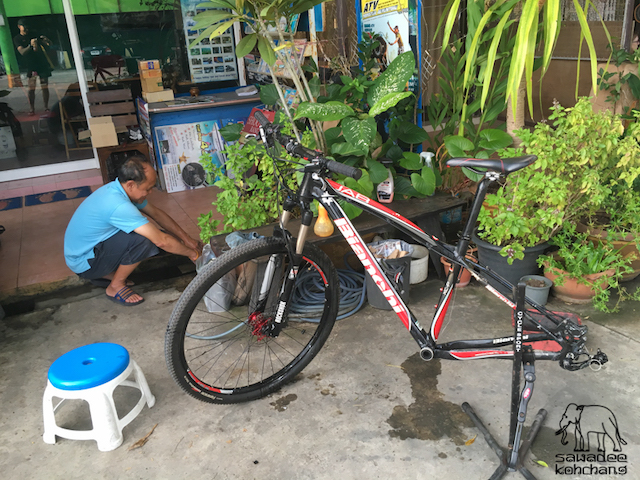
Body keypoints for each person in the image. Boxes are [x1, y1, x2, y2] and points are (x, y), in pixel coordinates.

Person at [64, 155, 203, 306]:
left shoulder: (118, 189)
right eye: (147, 188)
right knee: (146, 241)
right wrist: (193, 254)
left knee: (166, 238)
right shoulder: (118, 205)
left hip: (89, 251)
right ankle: (115, 285)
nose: (150, 193)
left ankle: (106, 273)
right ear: (131, 184)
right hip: (84, 263)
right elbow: (161, 241)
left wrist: (186, 239)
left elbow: (156, 214)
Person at [13, 18, 53, 115]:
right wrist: (30, 46)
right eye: (24, 27)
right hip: (31, 64)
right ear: (19, 27)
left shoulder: (34, 34)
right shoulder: (17, 38)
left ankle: (46, 107)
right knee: (31, 88)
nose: (26, 29)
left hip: (41, 63)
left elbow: (48, 45)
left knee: (44, 86)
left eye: (27, 27)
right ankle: (32, 108)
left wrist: (47, 40)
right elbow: (22, 52)